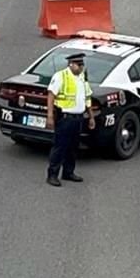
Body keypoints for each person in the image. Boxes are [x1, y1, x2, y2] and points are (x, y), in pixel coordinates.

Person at [45, 53, 95, 187]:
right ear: (71, 64)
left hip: (78, 118)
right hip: (65, 118)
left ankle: (68, 172)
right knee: (60, 147)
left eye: (82, 65)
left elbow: (87, 98)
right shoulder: (61, 76)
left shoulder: (82, 78)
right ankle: (52, 175)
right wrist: (49, 116)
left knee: (73, 147)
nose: (81, 67)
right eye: (79, 65)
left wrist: (91, 116)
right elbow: (51, 95)